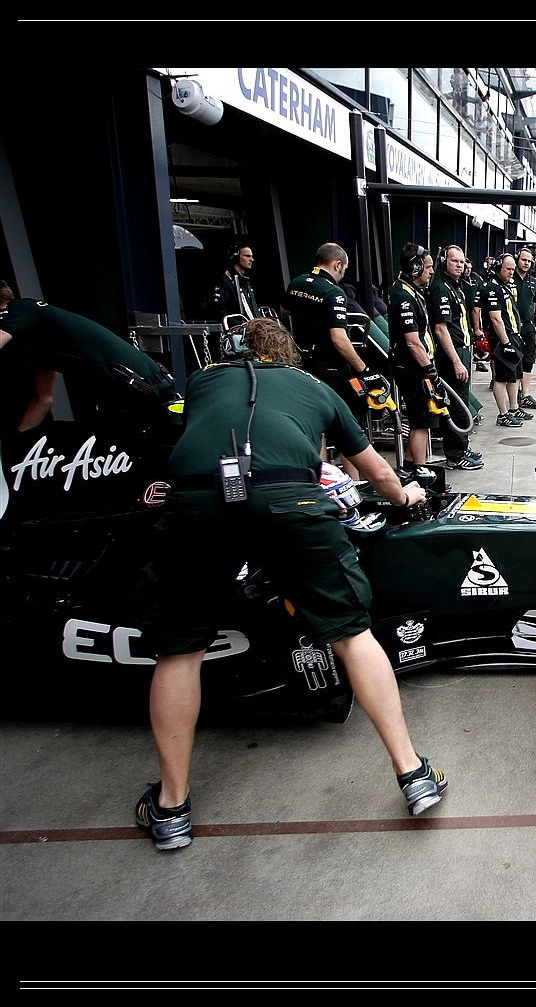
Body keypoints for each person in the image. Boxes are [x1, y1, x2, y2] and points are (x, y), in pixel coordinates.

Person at [132, 317, 446, 850]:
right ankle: (413, 773)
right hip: (290, 500)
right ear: (291, 356)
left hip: (198, 504)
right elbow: (376, 471)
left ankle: (171, 809)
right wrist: (406, 497)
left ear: (236, 350)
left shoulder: (204, 380)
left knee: (179, 651)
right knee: (352, 634)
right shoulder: (315, 387)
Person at [0, 282, 178, 431]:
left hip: (142, 387)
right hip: (125, 394)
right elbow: (43, 400)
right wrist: (16, 444)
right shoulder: (34, 341)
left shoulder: (18, 309)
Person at [283, 244, 387, 475]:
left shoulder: (297, 283)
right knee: (346, 426)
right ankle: (353, 483)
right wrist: (364, 369)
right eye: (344, 269)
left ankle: (323, 482)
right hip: (331, 367)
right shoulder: (334, 293)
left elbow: (284, 309)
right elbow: (339, 339)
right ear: (337, 265)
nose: (343, 274)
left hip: (302, 364)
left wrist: (308, 315)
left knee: (316, 426)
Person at [388, 244, 442, 481]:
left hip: (416, 364)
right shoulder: (403, 296)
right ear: (415, 268)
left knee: (424, 415)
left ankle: (409, 466)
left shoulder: (411, 290)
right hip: (412, 366)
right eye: (428, 267)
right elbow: (412, 341)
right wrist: (430, 370)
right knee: (422, 418)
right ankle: (420, 470)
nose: (431, 272)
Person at [429, 245, 482, 471]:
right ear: (444, 262)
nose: (459, 265)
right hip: (452, 354)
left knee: (462, 401)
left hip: (463, 349)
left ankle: (462, 446)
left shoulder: (456, 286)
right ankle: (455, 454)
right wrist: (456, 361)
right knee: (456, 404)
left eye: (462, 261)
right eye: (454, 261)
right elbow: (441, 329)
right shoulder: (441, 288)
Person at [479, 254, 529, 427]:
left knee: (514, 375)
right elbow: (495, 318)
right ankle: (503, 413)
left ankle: (514, 408)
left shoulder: (505, 286)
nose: (511, 272)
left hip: (514, 335)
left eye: (513, 269)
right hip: (503, 338)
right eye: (508, 269)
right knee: (501, 378)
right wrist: (506, 343)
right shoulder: (492, 288)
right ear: (498, 267)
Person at [513, 248, 536, 411]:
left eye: (529, 261)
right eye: (523, 260)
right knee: (514, 362)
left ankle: (525, 395)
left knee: (528, 361)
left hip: (529, 327)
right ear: (517, 259)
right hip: (513, 329)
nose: (526, 263)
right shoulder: (510, 279)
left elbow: (535, 306)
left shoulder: (533, 282)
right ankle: (515, 396)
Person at [212, 242, 261, 321]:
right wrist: (239, 325)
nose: (252, 259)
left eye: (251, 256)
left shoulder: (246, 281)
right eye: (247, 256)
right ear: (235, 257)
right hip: (239, 327)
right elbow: (220, 312)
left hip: (252, 325)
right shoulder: (225, 280)